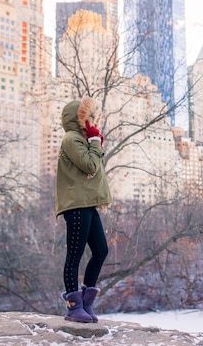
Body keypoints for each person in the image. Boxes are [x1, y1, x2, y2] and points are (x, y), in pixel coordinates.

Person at [55, 96, 112, 323]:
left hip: (87, 202)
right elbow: (89, 165)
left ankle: (86, 304)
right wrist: (95, 141)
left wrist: (94, 141)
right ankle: (73, 306)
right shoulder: (71, 138)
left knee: (101, 251)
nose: (90, 120)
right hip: (76, 204)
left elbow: (93, 167)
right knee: (74, 255)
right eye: (86, 116)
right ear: (77, 118)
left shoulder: (82, 138)